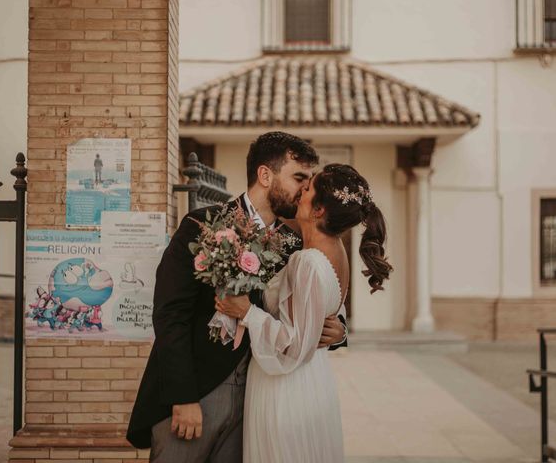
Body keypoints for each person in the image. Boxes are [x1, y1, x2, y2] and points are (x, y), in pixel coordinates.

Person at [126, 132, 349, 462]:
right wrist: (183, 396)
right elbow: (170, 314)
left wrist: (339, 331)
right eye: (298, 177)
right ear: (265, 175)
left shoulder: (293, 245)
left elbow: (313, 298)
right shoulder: (201, 226)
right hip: (197, 394)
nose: (304, 189)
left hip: (259, 403)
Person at [216, 163, 393, 462]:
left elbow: (295, 344)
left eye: (308, 187)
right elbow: (322, 311)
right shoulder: (335, 253)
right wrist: (340, 329)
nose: (300, 191)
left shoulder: (309, 261)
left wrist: (247, 312)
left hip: (286, 387)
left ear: (320, 210)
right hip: (312, 380)